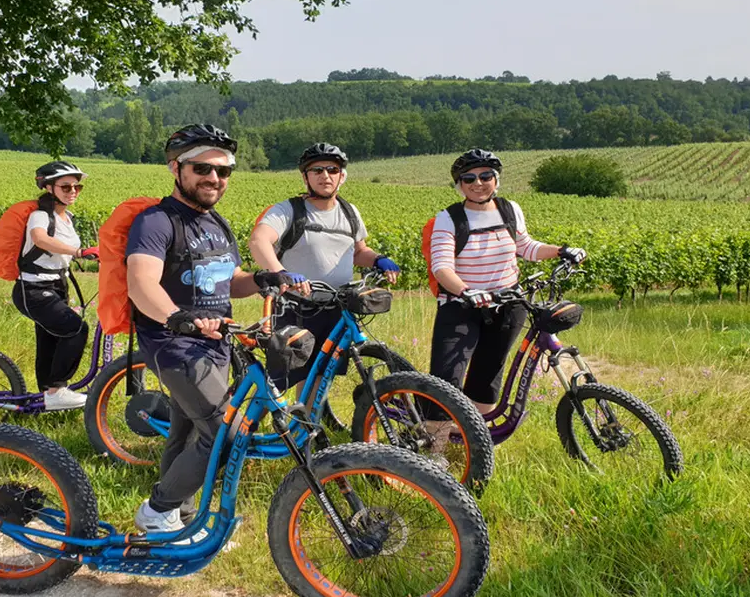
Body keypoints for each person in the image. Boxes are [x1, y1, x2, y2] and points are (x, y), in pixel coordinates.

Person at [126, 124, 297, 536]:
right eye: (202, 168)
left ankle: (178, 518)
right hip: (176, 345)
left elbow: (227, 279)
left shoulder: (214, 223)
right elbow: (141, 282)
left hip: (216, 342)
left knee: (187, 433)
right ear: (176, 168)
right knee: (227, 430)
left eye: (223, 172)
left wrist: (260, 280)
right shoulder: (157, 222)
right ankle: (156, 510)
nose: (214, 179)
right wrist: (174, 317)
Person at [428, 149, 586, 415]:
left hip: (508, 303)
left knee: (488, 373)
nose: (478, 183)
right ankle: (436, 448)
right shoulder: (449, 218)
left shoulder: (509, 209)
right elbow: (442, 268)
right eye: (469, 179)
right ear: (460, 185)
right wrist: (467, 292)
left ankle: (480, 441)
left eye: (486, 176)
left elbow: (525, 246)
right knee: (447, 377)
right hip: (461, 305)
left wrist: (561, 250)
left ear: (496, 180)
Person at [249, 142, 399, 391]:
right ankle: (247, 427)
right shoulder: (289, 210)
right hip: (295, 307)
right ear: (305, 176)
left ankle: (303, 427)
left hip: (336, 308)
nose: (325, 176)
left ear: (342, 176)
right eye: (316, 170)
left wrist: (377, 259)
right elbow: (259, 240)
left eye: (332, 169)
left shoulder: (349, 212)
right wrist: (280, 273)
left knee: (319, 378)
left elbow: (358, 251)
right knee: (281, 381)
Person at [12, 161, 98, 410]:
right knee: (76, 329)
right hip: (33, 289)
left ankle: (45, 399)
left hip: (56, 286)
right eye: (66, 186)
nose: (73, 191)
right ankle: (56, 389)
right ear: (49, 187)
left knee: (49, 341)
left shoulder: (67, 218)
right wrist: (79, 251)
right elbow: (40, 239)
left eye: (77, 187)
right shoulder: (40, 216)